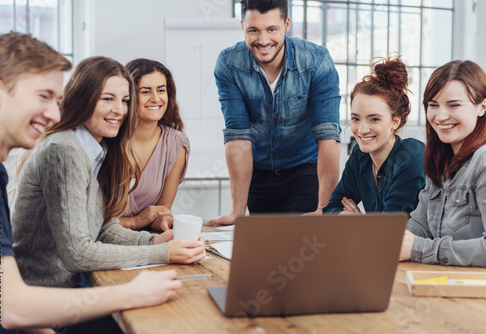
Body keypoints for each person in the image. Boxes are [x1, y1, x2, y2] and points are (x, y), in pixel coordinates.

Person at [0, 32, 182, 334]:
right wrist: (144, 275)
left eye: (56, 100)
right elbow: (7, 303)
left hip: (45, 307)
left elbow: (0, 290)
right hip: (44, 306)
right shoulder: (60, 151)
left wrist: (153, 242)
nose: (53, 113)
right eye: (43, 96)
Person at [205, 0, 341, 225]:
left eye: (271, 29)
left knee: (304, 242)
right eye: (253, 30)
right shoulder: (229, 63)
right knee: (267, 248)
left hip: (305, 169)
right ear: (242, 27)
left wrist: (324, 209)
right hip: (259, 171)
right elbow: (238, 136)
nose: (263, 40)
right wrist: (237, 211)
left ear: (286, 24)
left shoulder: (316, 61)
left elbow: (328, 136)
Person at [399, 60, 486, 267]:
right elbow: (420, 224)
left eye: (454, 105)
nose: (441, 116)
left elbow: (417, 244)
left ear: (482, 107)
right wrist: (390, 242)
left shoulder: (483, 160)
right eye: (433, 105)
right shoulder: (441, 160)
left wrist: (418, 249)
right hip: (446, 282)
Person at [323, 54, 425, 214]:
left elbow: (390, 228)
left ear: (395, 122)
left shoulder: (412, 154)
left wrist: (361, 223)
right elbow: (331, 209)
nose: (362, 130)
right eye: (356, 118)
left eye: (374, 119)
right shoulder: (360, 156)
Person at [119, 59, 189, 232]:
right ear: (129, 96)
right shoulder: (108, 138)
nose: (156, 98)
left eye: (161, 90)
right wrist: (134, 222)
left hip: (142, 242)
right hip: (99, 242)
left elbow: (160, 211)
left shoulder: (175, 144)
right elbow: (89, 220)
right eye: (145, 91)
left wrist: (165, 220)